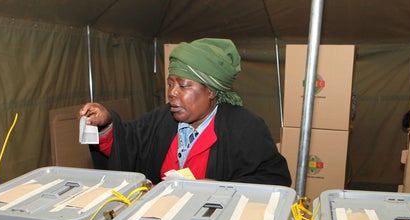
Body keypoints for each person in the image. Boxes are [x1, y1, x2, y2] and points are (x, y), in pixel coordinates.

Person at [79, 38, 291, 187]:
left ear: (210, 91)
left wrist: (223, 188)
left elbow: (274, 178)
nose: (172, 93)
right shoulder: (161, 118)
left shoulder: (245, 127)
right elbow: (128, 143)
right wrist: (106, 124)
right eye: (170, 83)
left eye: (183, 85)